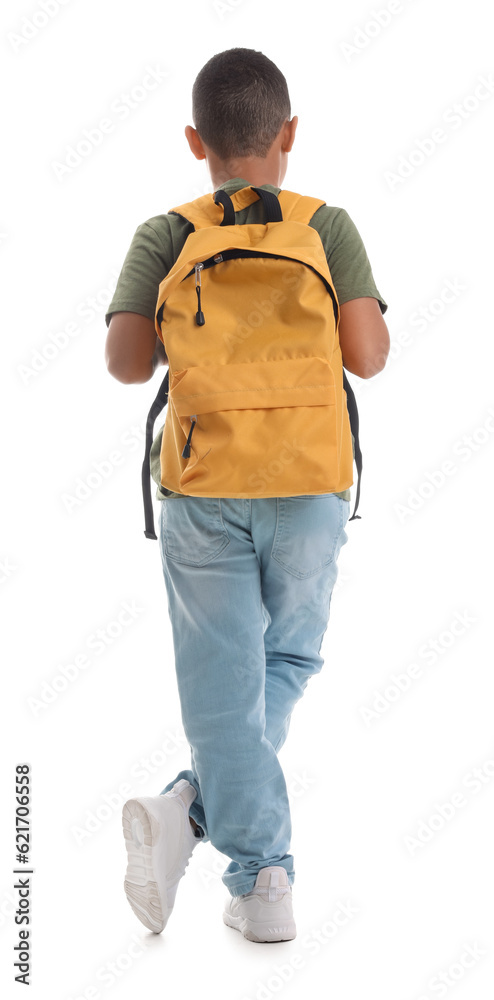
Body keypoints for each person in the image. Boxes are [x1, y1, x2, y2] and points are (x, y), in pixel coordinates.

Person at [105, 47, 390, 944]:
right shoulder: (327, 225)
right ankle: (250, 862)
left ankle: (217, 835)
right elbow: (369, 358)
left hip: (200, 481)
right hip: (308, 483)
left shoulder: (168, 232)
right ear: (290, 134)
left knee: (222, 687)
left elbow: (124, 366)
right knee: (287, 664)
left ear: (197, 142)